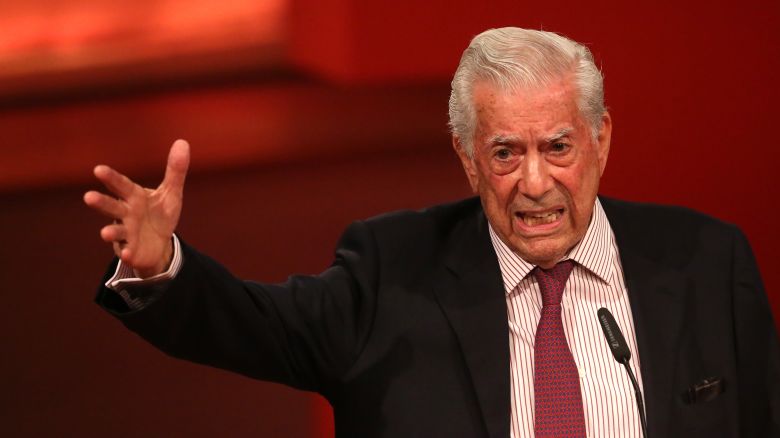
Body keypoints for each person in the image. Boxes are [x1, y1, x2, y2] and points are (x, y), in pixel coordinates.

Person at [85, 27, 780, 437]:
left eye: (558, 148)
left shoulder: (707, 263)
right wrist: (160, 265)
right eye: (505, 153)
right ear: (467, 159)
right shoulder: (391, 273)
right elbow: (258, 326)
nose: (534, 182)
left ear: (600, 141)